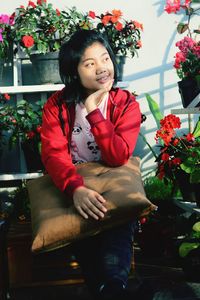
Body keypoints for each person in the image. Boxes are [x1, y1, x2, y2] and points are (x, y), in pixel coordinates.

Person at [41, 29, 142, 300]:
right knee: (87, 243)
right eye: (90, 63)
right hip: (77, 191)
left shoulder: (125, 103)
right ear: (74, 70)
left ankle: (112, 288)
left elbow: (118, 156)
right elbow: (53, 153)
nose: (102, 68)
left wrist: (94, 112)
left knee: (116, 239)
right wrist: (75, 189)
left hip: (114, 190)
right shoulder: (57, 105)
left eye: (105, 58)